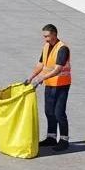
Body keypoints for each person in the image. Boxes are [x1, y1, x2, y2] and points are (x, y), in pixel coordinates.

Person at [25, 23, 71, 151]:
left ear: (55, 35)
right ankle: (51, 138)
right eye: (44, 36)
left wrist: (41, 78)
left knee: (59, 113)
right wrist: (31, 77)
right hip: (50, 84)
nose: (45, 39)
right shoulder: (46, 46)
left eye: (47, 36)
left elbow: (58, 69)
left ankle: (64, 140)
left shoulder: (62, 48)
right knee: (49, 112)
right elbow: (41, 64)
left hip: (62, 85)